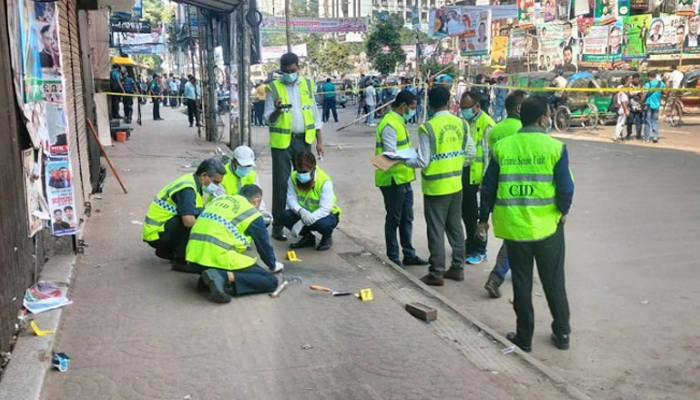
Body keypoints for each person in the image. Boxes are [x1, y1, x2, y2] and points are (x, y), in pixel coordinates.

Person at [477, 95, 574, 352]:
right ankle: (562, 334)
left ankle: (524, 337)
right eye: (549, 114)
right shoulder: (555, 148)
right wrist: (564, 211)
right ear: (543, 118)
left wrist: (482, 220)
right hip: (548, 229)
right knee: (554, 281)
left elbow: (488, 188)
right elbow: (566, 188)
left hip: (514, 228)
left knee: (522, 282)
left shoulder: (504, 148)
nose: (550, 117)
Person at [404, 86, 475, 286]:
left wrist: (403, 160)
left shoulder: (428, 128)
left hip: (436, 187)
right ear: (449, 102)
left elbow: (423, 161)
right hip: (455, 184)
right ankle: (458, 268)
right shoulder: (461, 123)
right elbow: (470, 152)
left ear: (430, 104)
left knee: (436, 230)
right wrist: (455, 164)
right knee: (455, 228)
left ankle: (436, 273)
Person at [264, 53, 325, 242]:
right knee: (281, 184)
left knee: (305, 181)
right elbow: (268, 119)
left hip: (303, 140)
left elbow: (315, 117)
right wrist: (277, 110)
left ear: (298, 67)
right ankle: (278, 226)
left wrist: (319, 141)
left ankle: (305, 226)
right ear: (281, 70)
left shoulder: (307, 85)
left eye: (293, 70)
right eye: (286, 71)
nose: (290, 74)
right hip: (282, 143)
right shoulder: (273, 88)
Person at [187, 185, 283, 304]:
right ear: (256, 201)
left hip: (193, 258)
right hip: (216, 257)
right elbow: (264, 247)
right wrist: (273, 264)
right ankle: (221, 276)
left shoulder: (219, 200)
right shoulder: (251, 213)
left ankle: (208, 279)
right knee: (270, 281)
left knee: (226, 261)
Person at [375, 90, 429, 268]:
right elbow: (391, 154)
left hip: (403, 178)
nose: (413, 111)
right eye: (412, 107)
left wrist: (411, 152)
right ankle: (393, 257)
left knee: (407, 217)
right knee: (394, 218)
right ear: (403, 106)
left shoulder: (399, 121)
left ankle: (409, 254)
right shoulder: (390, 124)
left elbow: (401, 149)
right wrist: (412, 156)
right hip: (391, 179)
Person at [142, 159, 226, 271]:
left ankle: (168, 250)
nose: (216, 186)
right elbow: (188, 221)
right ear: (204, 175)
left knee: (198, 218)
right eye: (215, 182)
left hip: (160, 229)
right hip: (156, 233)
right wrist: (210, 231)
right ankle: (181, 260)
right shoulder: (188, 189)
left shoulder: (192, 181)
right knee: (190, 222)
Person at [483, 90, 528, 299]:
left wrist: (483, 215)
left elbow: (491, 167)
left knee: (514, 238)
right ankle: (498, 275)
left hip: (502, 191)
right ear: (519, 108)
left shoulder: (494, 132)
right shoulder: (528, 131)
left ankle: (508, 272)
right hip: (527, 191)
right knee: (518, 239)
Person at [460, 91, 496, 265]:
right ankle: (470, 243)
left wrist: (486, 182)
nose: (464, 111)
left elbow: (488, 155)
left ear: (477, 106)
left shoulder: (487, 124)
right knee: (467, 212)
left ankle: (480, 250)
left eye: (467, 108)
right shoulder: (463, 122)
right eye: (462, 108)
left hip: (481, 178)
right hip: (466, 175)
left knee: (481, 216)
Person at [282, 151, 341, 251]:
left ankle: (327, 237)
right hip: (304, 213)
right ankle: (308, 237)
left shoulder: (324, 181)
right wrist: (301, 212)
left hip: (324, 215)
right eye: (299, 171)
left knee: (324, 224)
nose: (301, 175)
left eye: (304, 172)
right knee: (285, 216)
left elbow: (325, 208)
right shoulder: (293, 177)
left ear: (313, 168)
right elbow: (291, 199)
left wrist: (302, 222)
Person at [641, 72, 665, 143]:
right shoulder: (661, 84)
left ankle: (647, 138)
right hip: (657, 104)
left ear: (649, 77)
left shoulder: (648, 84)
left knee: (647, 122)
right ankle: (655, 137)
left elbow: (644, 94)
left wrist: (641, 101)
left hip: (648, 104)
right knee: (655, 121)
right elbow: (665, 92)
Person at [625, 73, 644, 140]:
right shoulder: (629, 86)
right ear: (633, 79)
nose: (636, 80)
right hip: (631, 105)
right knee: (630, 121)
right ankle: (629, 134)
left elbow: (643, 94)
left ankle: (638, 135)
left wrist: (640, 98)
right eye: (635, 78)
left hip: (638, 106)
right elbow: (627, 94)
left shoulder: (640, 85)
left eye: (637, 79)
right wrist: (634, 95)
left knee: (638, 121)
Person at [613, 77, 630, 141]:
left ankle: (620, 135)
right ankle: (616, 136)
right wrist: (626, 110)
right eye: (628, 81)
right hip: (622, 108)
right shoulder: (623, 90)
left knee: (622, 123)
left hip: (621, 108)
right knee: (620, 123)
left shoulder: (621, 88)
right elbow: (623, 101)